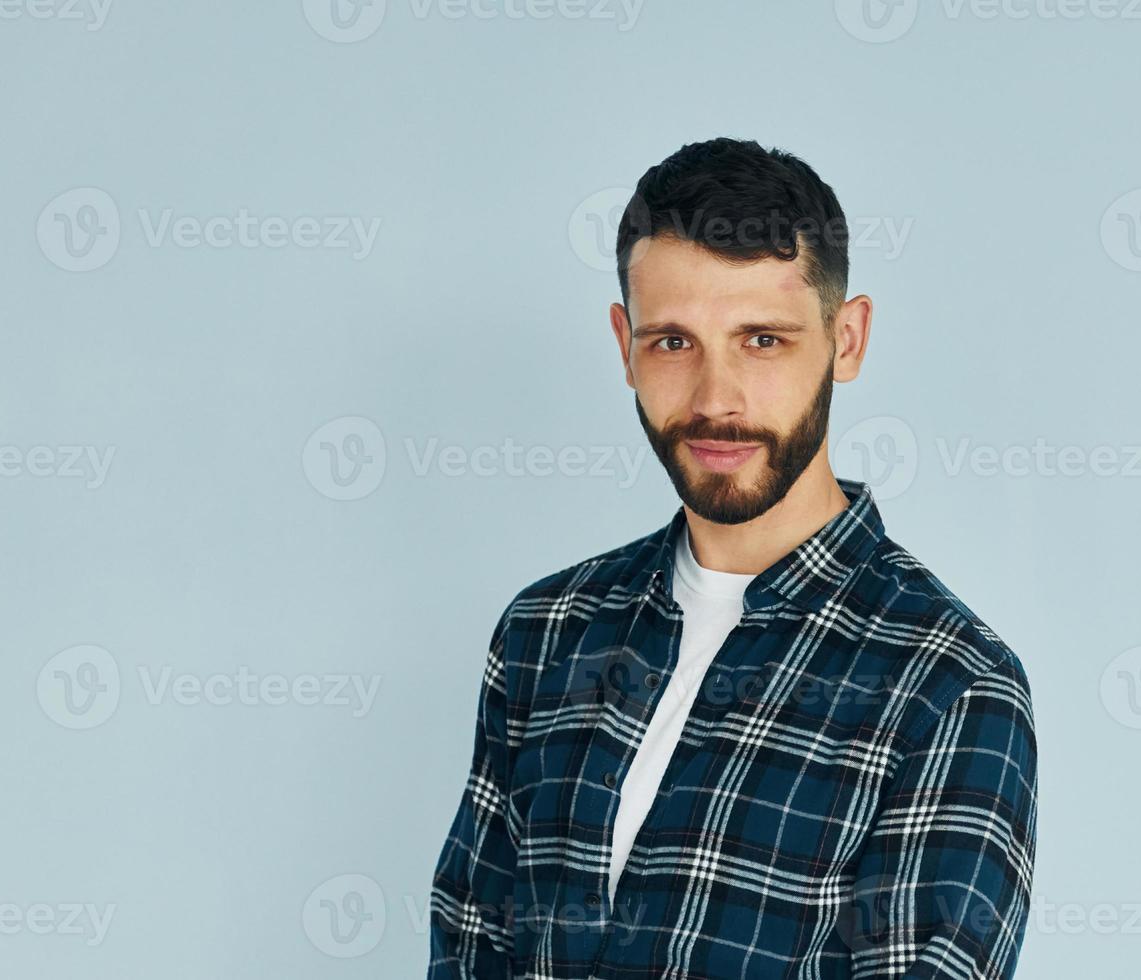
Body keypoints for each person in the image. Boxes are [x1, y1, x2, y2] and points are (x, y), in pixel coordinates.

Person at [428, 137, 1037, 979]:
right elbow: (470, 945)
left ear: (847, 339)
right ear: (625, 344)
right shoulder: (546, 635)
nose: (716, 400)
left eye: (762, 340)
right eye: (673, 343)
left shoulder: (946, 685)